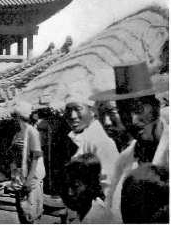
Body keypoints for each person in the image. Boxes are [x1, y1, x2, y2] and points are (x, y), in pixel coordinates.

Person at [90, 61, 169, 222]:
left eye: (139, 109)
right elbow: (112, 213)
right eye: (124, 111)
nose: (132, 120)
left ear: (156, 107)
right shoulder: (124, 160)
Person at [64, 96, 119, 195]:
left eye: (78, 109)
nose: (72, 116)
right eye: (68, 110)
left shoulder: (99, 140)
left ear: (92, 111)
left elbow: (109, 187)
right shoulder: (85, 137)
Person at [9, 101, 45, 224]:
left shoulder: (32, 132)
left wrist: (29, 180)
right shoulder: (17, 133)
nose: (13, 119)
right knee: (22, 209)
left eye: (14, 116)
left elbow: (35, 157)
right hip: (19, 177)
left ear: (20, 116)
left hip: (30, 177)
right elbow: (14, 155)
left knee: (29, 212)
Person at [61, 153, 115, 223]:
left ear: (91, 185)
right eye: (68, 185)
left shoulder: (96, 217)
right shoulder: (87, 209)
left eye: (75, 187)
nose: (69, 193)